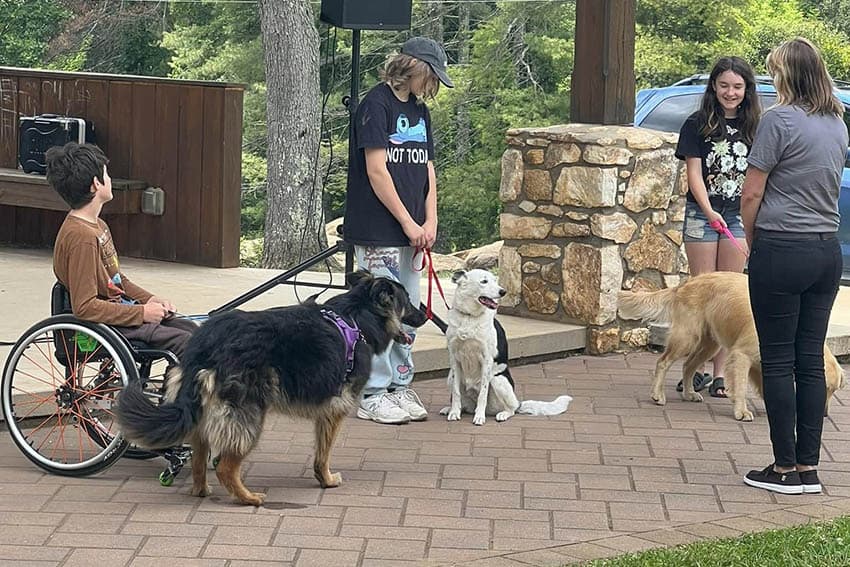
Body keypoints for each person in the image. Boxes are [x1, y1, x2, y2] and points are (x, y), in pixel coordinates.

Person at [741, 37, 847, 495]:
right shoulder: (837, 123)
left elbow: (752, 193)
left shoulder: (778, 120)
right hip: (826, 252)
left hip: (781, 248)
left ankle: (783, 468)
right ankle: (809, 468)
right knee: (809, 358)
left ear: (786, 74)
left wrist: (752, 240)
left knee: (778, 360)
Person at [343, 37, 453, 424]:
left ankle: (399, 384)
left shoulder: (419, 110)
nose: (433, 85)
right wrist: (407, 222)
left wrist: (430, 220)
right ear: (414, 68)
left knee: (408, 310)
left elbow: (427, 169)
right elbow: (377, 169)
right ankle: (372, 390)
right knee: (378, 312)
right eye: (431, 76)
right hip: (379, 230)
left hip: (413, 232)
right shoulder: (376, 105)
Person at [47, 142, 196, 359]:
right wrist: (142, 313)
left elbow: (117, 281)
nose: (110, 180)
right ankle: (177, 393)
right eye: (106, 175)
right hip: (108, 326)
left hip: (119, 312)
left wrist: (150, 300)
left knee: (192, 329)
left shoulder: (98, 226)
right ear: (95, 184)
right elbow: (85, 307)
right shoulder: (82, 238)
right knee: (187, 342)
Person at [674, 56, 762, 398]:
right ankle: (692, 370)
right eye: (724, 85)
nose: (730, 92)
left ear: (746, 89)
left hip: (738, 216)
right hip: (702, 214)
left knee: (730, 297)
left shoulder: (756, 125)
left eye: (737, 87)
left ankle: (722, 374)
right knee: (702, 294)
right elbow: (693, 172)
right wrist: (709, 211)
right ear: (713, 86)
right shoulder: (697, 123)